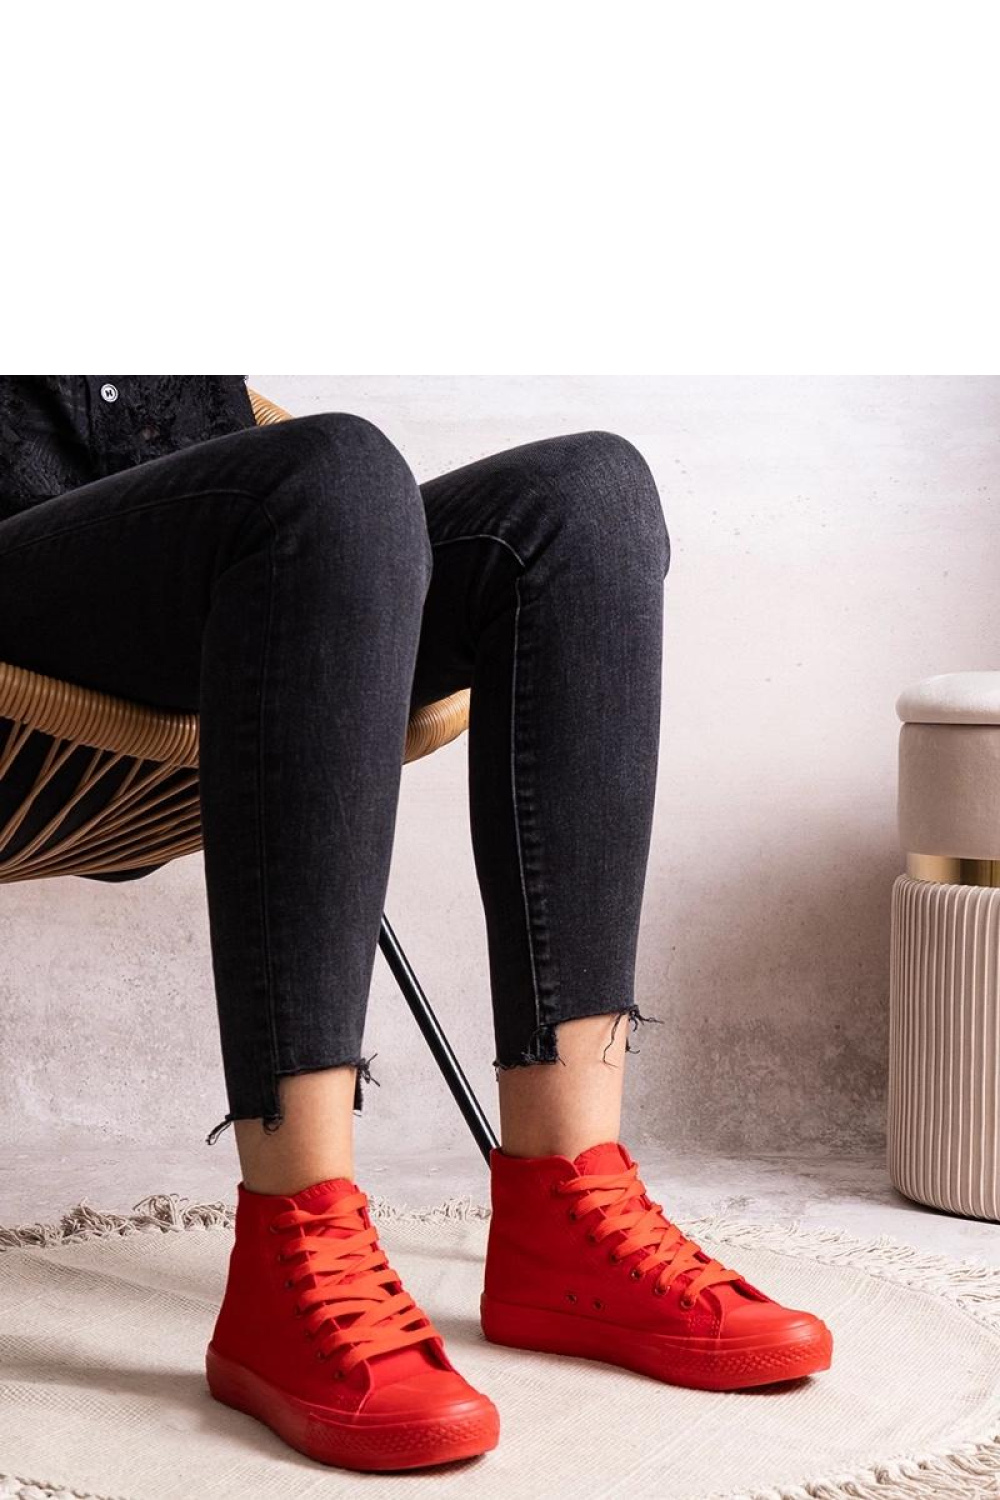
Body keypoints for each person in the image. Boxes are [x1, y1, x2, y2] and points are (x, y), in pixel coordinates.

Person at [0, 376, 832, 1474]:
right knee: (331, 477)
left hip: (213, 545)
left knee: (585, 498)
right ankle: (296, 1241)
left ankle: (566, 1203)